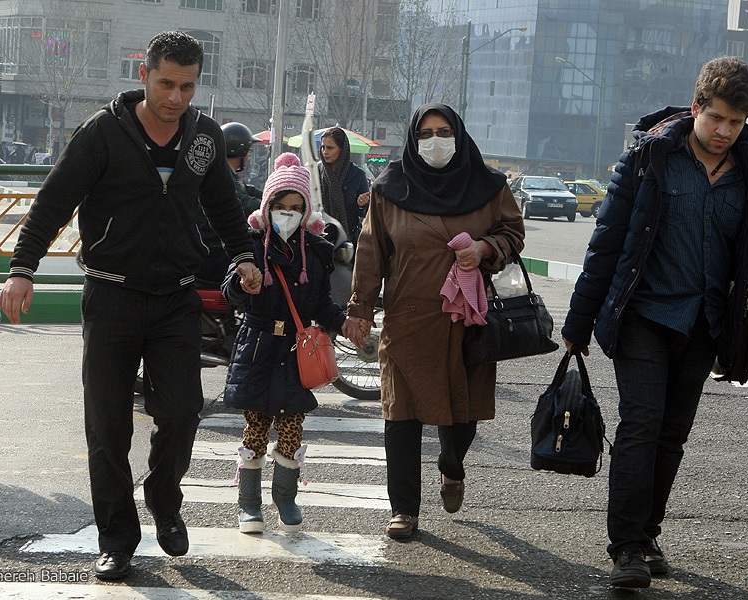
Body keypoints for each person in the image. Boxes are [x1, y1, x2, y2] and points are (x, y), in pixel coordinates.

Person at [0, 31, 263, 581]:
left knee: (183, 410)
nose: (176, 97)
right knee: (108, 426)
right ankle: (117, 537)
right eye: (166, 83)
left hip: (174, 299)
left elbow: (222, 205)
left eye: (188, 86)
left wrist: (244, 254)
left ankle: (165, 499)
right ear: (144, 73)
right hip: (112, 295)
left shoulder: (204, 138)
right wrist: (21, 269)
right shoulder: (102, 133)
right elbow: (52, 202)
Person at [561, 57, 748, 589]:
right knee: (641, 424)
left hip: (705, 323)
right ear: (697, 106)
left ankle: (648, 531)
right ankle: (628, 547)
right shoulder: (648, 160)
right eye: (718, 118)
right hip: (645, 315)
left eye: (738, 122)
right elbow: (608, 242)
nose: (726, 131)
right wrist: (579, 320)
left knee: (672, 434)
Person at [345, 103, 525, 540]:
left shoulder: (488, 185)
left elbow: (513, 233)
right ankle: (404, 509)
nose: (435, 141)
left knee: (461, 416)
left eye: (444, 131)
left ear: (459, 135)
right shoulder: (389, 189)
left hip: (469, 321)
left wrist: (485, 249)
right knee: (400, 416)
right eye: (425, 134)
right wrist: (359, 308)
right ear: (412, 139)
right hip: (407, 320)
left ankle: (451, 466)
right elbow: (371, 253)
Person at [222, 152, 355, 534]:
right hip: (259, 348)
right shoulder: (248, 245)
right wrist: (242, 282)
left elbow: (322, 306)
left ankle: (286, 498)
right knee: (256, 427)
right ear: (267, 208)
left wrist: (345, 324)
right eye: (280, 206)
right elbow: (231, 288)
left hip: (296, 354)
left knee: (293, 426)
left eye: (296, 207)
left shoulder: (315, 252)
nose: (287, 213)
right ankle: (249, 504)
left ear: (305, 210)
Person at [195, 121, 262, 284]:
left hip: (214, 251)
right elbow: (244, 204)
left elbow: (250, 191)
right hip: (214, 254)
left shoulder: (229, 175)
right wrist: (272, 209)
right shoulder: (221, 176)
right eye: (249, 151)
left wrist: (278, 195)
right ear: (239, 150)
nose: (248, 156)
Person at [318, 127, 370, 243]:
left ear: (342, 149)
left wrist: (362, 205)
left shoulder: (357, 175)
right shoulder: (316, 172)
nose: (325, 152)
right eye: (322, 147)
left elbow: (366, 214)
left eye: (330, 148)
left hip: (348, 240)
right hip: (319, 240)